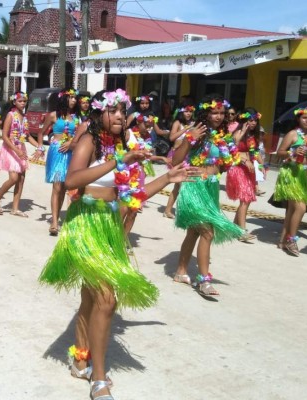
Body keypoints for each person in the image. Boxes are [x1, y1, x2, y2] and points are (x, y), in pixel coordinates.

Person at [39, 89, 195, 400]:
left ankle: (80, 359)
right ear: (98, 114)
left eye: (123, 110)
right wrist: (115, 162)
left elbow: (132, 195)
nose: (120, 116)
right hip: (85, 224)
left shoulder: (121, 146)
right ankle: (99, 378)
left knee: (90, 298)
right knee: (107, 300)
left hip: (108, 225)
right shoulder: (90, 142)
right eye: (113, 110)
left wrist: (166, 179)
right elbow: (72, 181)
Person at [172, 94, 244, 296]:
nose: (219, 116)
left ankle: (180, 271)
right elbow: (175, 160)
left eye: (222, 113)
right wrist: (189, 139)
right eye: (214, 112)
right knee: (207, 232)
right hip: (194, 187)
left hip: (211, 188)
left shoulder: (223, 137)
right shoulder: (197, 132)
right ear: (206, 113)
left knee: (194, 232)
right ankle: (204, 280)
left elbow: (225, 163)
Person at [35, 88, 79, 235]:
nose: (74, 100)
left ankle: (58, 216)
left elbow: (80, 137)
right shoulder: (53, 115)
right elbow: (41, 132)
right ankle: (54, 222)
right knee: (57, 186)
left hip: (71, 153)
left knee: (65, 187)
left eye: (75, 98)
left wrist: (72, 143)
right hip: (57, 152)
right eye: (71, 97)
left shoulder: (76, 118)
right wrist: (40, 148)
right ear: (64, 98)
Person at [0, 91, 41, 217]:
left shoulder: (24, 117)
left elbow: (27, 136)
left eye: (24, 101)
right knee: (14, 178)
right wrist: (16, 150)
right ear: (14, 102)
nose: (23, 103)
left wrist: (39, 146)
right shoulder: (10, 115)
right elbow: (5, 136)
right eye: (20, 101)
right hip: (11, 148)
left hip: (20, 148)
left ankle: (15, 208)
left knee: (21, 179)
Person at [273, 106, 307, 256]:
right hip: (290, 175)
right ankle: (291, 240)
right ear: (298, 119)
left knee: (292, 210)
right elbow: (279, 153)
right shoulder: (293, 134)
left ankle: (282, 240)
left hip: (303, 176)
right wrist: (292, 152)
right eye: (304, 117)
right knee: (300, 207)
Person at [226, 108, 262, 242]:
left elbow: (256, 152)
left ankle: (235, 227)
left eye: (255, 121)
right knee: (245, 199)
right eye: (250, 120)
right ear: (244, 120)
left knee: (247, 200)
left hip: (249, 170)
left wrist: (262, 165)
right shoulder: (238, 132)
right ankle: (241, 231)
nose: (253, 123)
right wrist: (243, 132)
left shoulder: (254, 135)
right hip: (238, 169)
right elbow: (232, 148)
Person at [163, 104, 196, 219]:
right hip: (177, 157)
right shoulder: (178, 123)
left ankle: (168, 210)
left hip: (188, 157)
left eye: (190, 111)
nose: (188, 114)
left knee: (180, 186)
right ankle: (182, 212)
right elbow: (171, 138)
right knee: (182, 184)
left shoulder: (193, 124)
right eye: (186, 111)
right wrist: (186, 129)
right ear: (182, 112)